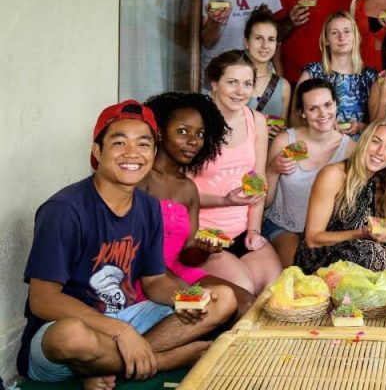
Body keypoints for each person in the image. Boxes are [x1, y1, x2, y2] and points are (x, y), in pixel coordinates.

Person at [17, 100, 236, 388]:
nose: (132, 153)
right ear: (98, 151)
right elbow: (43, 300)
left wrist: (184, 299)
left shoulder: (148, 207)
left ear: (153, 152)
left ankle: (108, 365)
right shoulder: (64, 209)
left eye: (143, 144)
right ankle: (164, 360)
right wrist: (119, 331)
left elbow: (155, 280)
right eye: (119, 143)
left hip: (128, 319)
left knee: (221, 299)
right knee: (71, 336)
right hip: (71, 330)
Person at [139, 92, 255, 319]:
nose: (193, 141)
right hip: (146, 275)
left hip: (179, 269)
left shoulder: (188, 189)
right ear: (160, 132)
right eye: (183, 131)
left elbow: (187, 254)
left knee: (248, 305)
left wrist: (203, 250)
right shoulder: (141, 180)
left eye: (200, 134)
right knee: (208, 308)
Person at [192, 50, 282, 296]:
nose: (240, 91)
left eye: (247, 84)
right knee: (242, 289)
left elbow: (258, 180)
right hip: (205, 238)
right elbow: (179, 193)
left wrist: (254, 230)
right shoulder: (196, 124)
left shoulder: (257, 121)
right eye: (232, 82)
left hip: (243, 230)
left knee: (273, 289)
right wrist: (225, 200)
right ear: (215, 83)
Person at [293, 119, 386, 283]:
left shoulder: (384, 186)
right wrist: (362, 234)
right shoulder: (334, 174)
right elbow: (312, 238)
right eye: (376, 142)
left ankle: (378, 305)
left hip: (364, 259)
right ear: (364, 141)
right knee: (370, 251)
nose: (380, 152)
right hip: (319, 259)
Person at [264, 79, 356, 267]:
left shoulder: (350, 150)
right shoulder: (285, 140)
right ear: (302, 113)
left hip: (324, 233)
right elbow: (265, 202)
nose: (323, 114)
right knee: (301, 270)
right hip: (284, 226)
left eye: (328, 105)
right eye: (313, 108)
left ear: (336, 104)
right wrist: (273, 170)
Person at [293, 11, 378, 137]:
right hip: (320, 148)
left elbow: (379, 127)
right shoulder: (312, 73)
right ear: (326, 40)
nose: (341, 37)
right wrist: (321, 127)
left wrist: (360, 127)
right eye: (334, 33)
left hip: (358, 150)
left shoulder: (370, 77)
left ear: (355, 36)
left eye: (347, 31)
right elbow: (295, 120)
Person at [242, 6, 291, 137]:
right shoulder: (230, 79)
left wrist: (280, 131)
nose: (265, 46)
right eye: (258, 38)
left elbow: (282, 130)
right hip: (238, 154)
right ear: (246, 42)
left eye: (271, 39)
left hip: (269, 155)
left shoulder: (284, 86)